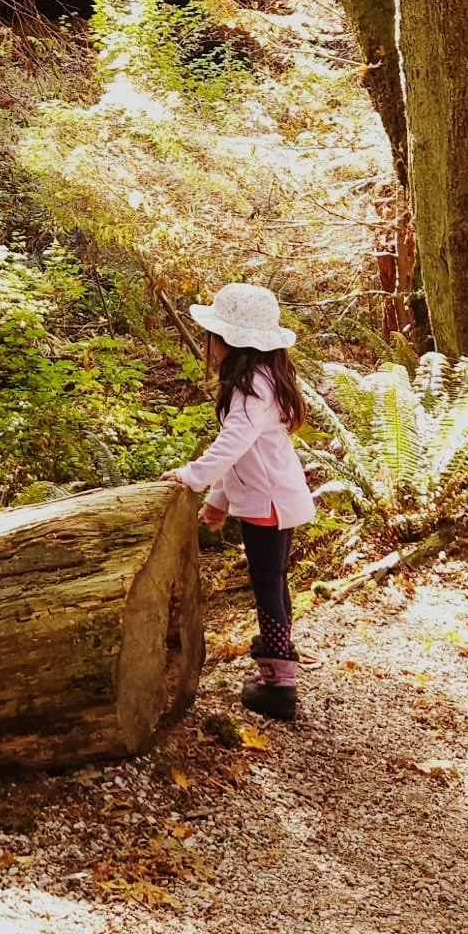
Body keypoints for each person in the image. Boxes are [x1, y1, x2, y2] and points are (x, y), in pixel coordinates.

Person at [162, 282, 316, 723]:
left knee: (269, 586)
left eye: (212, 336)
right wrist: (218, 500)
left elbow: (233, 444)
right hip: (273, 498)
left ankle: (279, 683)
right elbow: (244, 454)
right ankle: (278, 675)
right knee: (273, 582)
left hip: (269, 502)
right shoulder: (262, 382)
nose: (208, 345)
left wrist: (192, 477)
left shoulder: (251, 389)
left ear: (227, 342)